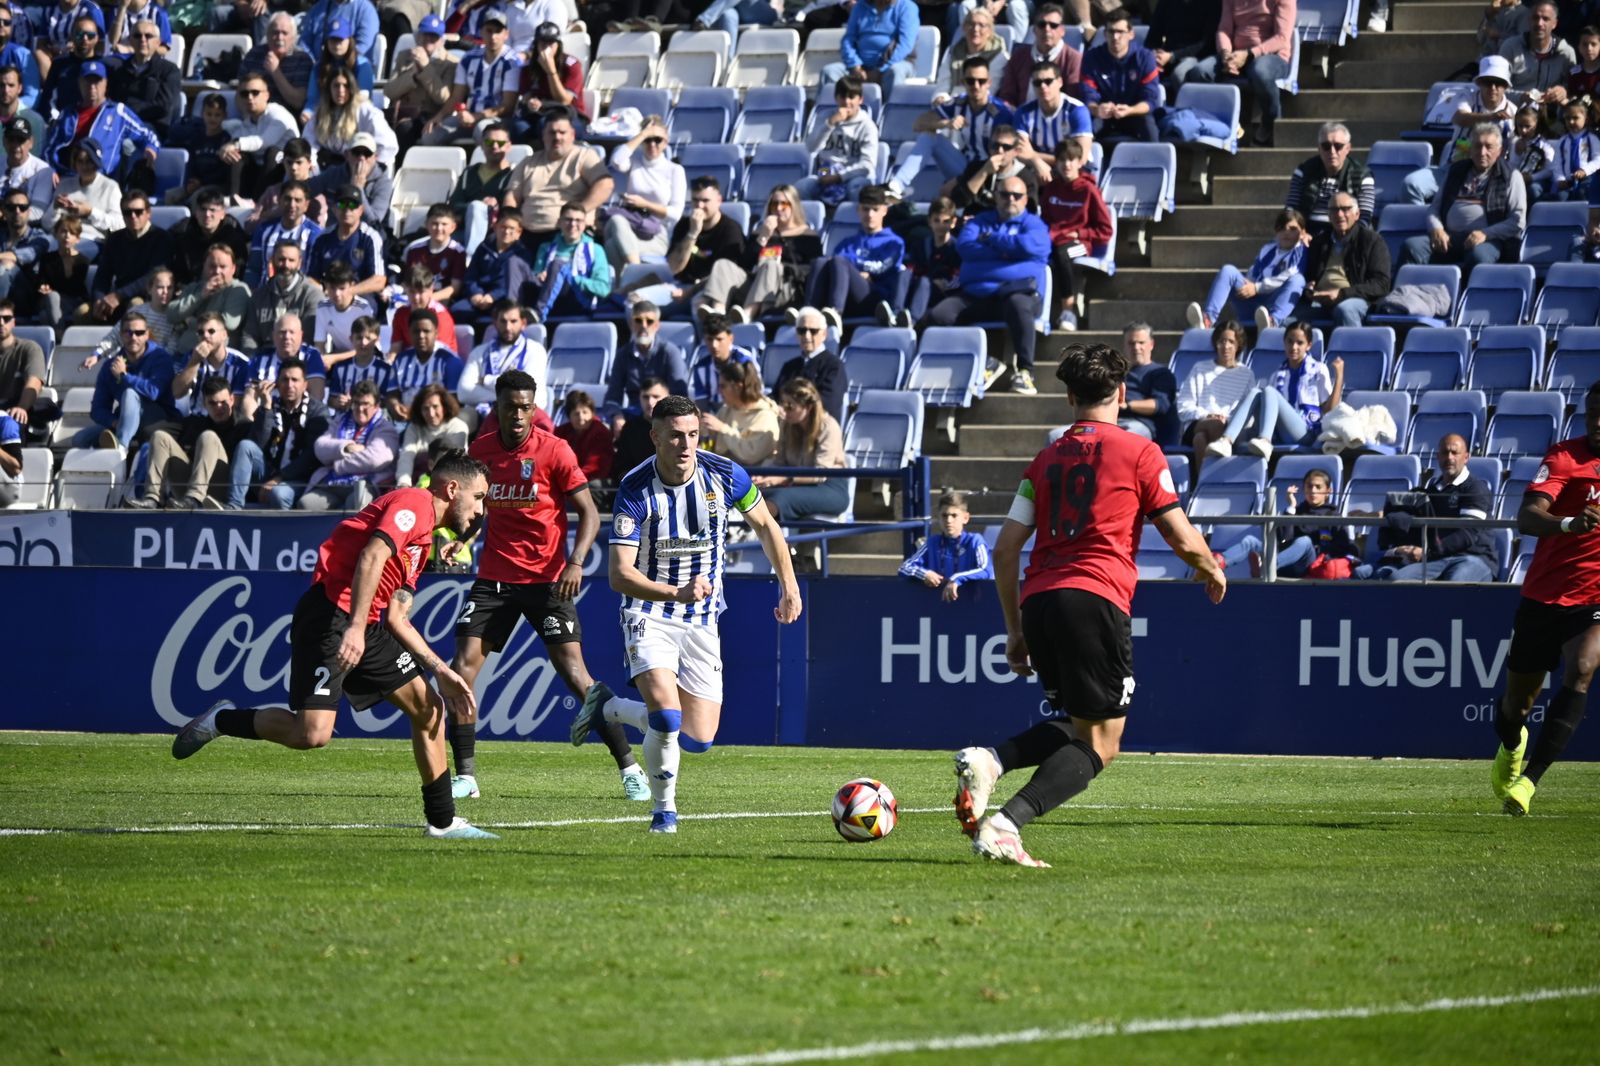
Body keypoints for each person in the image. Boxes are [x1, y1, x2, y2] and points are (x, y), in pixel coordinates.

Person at [951, 343, 1225, 866]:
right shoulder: (1142, 452)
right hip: (1095, 597)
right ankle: (1007, 824)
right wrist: (1210, 565)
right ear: (1121, 394)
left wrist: (1014, 629)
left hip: (1041, 600)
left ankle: (992, 760)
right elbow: (1178, 532)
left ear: (1071, 397)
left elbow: (1006, 547)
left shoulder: (1045, 459)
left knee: (1081, 725)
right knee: (1103, 744)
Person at [172, 449, 497, 841]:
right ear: (452, 487)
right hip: (331, 617)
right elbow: (371, 555)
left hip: (368, 624)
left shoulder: (423, 543)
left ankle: (442, 822)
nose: (481, 510)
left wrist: (440, 670)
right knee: (311, 735)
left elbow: (396, 617)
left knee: (429, 708)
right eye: (479, 498)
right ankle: (221, 721)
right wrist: (356, 628)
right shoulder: (414, 502)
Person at [572, 393, 803, 833]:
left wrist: (788, 585)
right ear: (655, 437)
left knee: (698, 739)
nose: (686, 445)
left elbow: (767, 526)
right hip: (649, 610)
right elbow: (619, 576)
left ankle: (609, 706)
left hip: (701, 620)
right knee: (666, 716)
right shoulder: (635, 488)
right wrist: (674, 592)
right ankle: (664, 811)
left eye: (694, 435)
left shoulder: (725, 474)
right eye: (676, 436)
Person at [451, 369, 644, 800]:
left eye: (526, 407)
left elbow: (589, 513)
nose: (518, 415)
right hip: (495, 578)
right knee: (462, 669)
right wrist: (461, 540)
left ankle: (630, 768)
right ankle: (465, 775)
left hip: (547, 582)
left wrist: (576, 561)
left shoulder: (554, 450)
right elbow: (478, 509)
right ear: (496, 408)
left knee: (577, 676)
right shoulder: (481, 452)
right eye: (510, 407)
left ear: (534, 407)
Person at [1489, 383, 1600, 816]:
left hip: (1592, 598)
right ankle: (1513, 744)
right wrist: (1570, 523)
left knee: (1584, 668)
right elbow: (1527, 517)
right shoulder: (1564, 457)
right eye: (1592, 413)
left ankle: (1528, 784)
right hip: (1545, 595)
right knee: (1516, 706)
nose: (1597, 422)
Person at [923, 174, 1047, 396]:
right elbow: (966, 247)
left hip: (1018, 293)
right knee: (939, 316)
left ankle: (1026, 371)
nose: (1010, 199)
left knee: (1019, 305)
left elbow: (1031, 246)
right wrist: (1012, 251)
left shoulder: (1034, 224)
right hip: (976, 294)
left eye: (1016, 195)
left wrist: (991, 239)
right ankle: (985, 361)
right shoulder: (980, 221)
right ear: (996, 197)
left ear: (1025, 199)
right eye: (1004, 194)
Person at [1400, 122, 1527, 278]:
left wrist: (1485, 234)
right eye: (1477, 146)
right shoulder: (1456, 171)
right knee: (1412, 246)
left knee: (1478, 256)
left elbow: (1517, 221)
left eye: (1489, 147)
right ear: (1470, 149)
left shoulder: (1511, 176)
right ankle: (1405, 296)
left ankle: (1469, 299)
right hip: (1450, 238)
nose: (1482, 152)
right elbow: (1434, 208)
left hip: (1489, 240)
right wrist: (1436, 229)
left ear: (1499, 151)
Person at [1370, 432, 1498, 582]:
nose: (1449, 457)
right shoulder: (1429, 492)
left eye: (1455, 452)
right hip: (1437, 558)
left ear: (1466, 457)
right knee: (1397, 579)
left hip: (1474, 558)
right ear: (1438, 457)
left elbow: (1467, 534)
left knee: (1453, 584)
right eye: (1445, 452)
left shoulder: (1476, 488)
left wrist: (1427, 552)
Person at [1208, 321, 1343, 458]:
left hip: (1306, 433)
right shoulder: (1277, 374)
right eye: (1289, 342)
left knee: (1268, 391)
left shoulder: (1318, 370)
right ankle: (1226, 441)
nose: (1294, 347)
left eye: (1300, 343)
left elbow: (1330, 410)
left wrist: (1339, 377)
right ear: (1284, 343)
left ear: (1308, 346)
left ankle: (1265, 441)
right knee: (1256, 392)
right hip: (1280, 432)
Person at [888, 55, 1017, 195]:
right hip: (964, 167)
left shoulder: (1001, 112)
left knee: (948, 193)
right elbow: (918, 124)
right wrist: (945, 123)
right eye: (970, 81)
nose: (976, 86)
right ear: (963, 82)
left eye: (981, 81)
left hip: (991, 174)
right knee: (929, 137)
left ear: (989, 83)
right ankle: (896, 186)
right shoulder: (958, 103)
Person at [1402, 56, 1517, 207]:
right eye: (1488, 81)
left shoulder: (1513, 112)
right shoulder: (1467, 97)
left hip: (1490, 176)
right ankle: (1426, 224)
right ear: (1479, 83)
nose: (1493, 87)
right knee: (1411, 184)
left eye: (1499, 83)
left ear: (1506, 86)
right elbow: (1460, 118)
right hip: (1455, 168)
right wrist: (1491, 116)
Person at [697, 184, 818, 326]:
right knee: (723, 264)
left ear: (793, 206)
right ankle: (718, 312)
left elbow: (811, 269)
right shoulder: (760, 232)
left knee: (771, 266)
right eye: (774, 204)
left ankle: (748, 314)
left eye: (784, 204)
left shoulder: (808, 236)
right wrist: (763, 237)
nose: (778, 209)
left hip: (783, 288)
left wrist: (782, 267)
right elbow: (744, 263)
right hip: (754, 283)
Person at [130, 374, 252, 508]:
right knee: (159, 436)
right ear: (204, 404)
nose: (218, 407)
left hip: (224, 489)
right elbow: (150, 431)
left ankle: (194, 498)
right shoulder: (195, 424)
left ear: (232, 400)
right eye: (212, 403)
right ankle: (153, 498)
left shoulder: (244, 426)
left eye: (223, 402)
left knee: (208, 437)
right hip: (188, 489)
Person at [1213, 467, 1358, 578]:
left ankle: (1266, 566)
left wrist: (1322, 552)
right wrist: (1291, 508)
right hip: (1285, 559)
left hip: (1309, 564)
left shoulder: (1334, 515)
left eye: (1318, 487)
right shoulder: (1297, 510)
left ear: (1328, 491)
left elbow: (1342, 546)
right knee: (1251, 541)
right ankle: (1217, 563)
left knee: (1305, 541)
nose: (1313, 491)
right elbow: (1283, 538)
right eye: (1309, 486)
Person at [501, 110, 613, 253]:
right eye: (552, 133)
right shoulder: (528, 162)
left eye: (562, 132)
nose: (557, 137)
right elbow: (512, 197)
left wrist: (576, 214)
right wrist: (511, 223)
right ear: (543, 136)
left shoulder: (584, 156)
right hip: (527, 234)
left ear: (572, 135)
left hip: (567, 234)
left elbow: (605, 185)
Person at [1186, 0, 1295, 146]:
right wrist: (1225, 54)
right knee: (1199, 72)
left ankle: (1270, 123)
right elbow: (1224, 30)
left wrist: (1248, 54)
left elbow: (1282, 38)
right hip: (1235, 54)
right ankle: (1222, 123)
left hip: (1272, 56)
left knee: (1260, 72)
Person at [229, 356, 330, 509]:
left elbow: (311, 456)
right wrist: (266, 407)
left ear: (305, 385)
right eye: (285, 379)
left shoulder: (317, 411)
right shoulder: (271, 406)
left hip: (300, 479)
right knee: (245, 446)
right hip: (270, 471)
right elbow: (258, 443)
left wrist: (279, 478)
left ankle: (279, 531)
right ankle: (233, 508)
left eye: (295, 380)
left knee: (279, 493)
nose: (289, 385)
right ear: (277, 383)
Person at [1185, 208, 1308, 332]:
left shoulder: (1301, 250)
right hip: (1253, 302)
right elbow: (1253, 273)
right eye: (1281, 228)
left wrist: (1257, 287)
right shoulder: (1268, 249)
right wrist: (1249, 286)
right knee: (1228, 270)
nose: (1286, 232)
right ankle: (1208, 320)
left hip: (1274, 302)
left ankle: (1272, 322)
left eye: (1292, 229)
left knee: (1298, 280)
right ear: (1276, 231)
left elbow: (1289, 274)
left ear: (1302, 232)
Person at [801, 184, 906, 328]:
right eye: (865, 209)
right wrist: (856, 272)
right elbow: (835, 270)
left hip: (874, 299)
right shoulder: (847, 243)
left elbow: (881, 268)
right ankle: (808, 313)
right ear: (858, 210)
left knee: (839, 261)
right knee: (820, 262)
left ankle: (835, 313)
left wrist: (852, 269)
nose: (870, 215)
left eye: (875, 209)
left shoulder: (894, 242)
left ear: (884, 211)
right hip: (848, 296)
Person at [73, 308, 175, 450]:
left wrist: (124, 376)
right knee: (80, 439)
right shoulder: (110, 365)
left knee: (129, 394)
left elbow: (154, 392)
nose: (133, 337)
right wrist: (114, 422)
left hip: (158, 419)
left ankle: (121, 448)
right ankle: (116, 447)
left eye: (139, 333)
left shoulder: (160, 357)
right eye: (128, 332)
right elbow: (97, 409)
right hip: (125, 422)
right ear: (121, 335)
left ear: (147, 335)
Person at [41, 59, 159, 181]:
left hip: (102, 180)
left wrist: (150, 149)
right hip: (67, 178)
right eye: (87, 81)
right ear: (79, 83)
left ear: (105, 84)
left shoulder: (118, 112)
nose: (92, 87)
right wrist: (51, 170)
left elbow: (149, 136)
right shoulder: (67, 113)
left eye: (97, 81)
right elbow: (49, 149)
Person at [645, 175, 745, 319]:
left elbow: (727, 274)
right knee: (637, 303)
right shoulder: (684, 226)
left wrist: (691, 291)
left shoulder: (730, 229)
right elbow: (673, 267)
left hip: (710, 290)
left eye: (705, 201)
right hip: (680, 287)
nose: (699, 206)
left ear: (719, 201)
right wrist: (692, 233)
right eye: (696, 200)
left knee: (700, 305)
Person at [1289, 190, 1392, 328]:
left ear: (1357, 214)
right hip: (1320, 300)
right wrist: (1309, 287)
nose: (1339, 214)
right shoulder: (1319, 241)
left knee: (1345, 310)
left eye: (1345, 209)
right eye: (1334, 209)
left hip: (1355, 299)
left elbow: (1381, 284)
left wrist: (1342, 294)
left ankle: (1351, 349)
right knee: (1287, 319)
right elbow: (1309, 275)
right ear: (1329, 215)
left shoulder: (1372, 241)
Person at [1039, 138, 1112, 331]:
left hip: (1080, 244)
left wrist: (1080, 233)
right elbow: (1044, 219)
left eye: (1071, 159)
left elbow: (1105, 230)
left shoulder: (1088, 190)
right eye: (1062, 160)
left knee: (1063, 255)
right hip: (1053, 240)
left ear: (1080, 162)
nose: (1067, 165)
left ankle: (1068, 311)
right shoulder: (1051, 189)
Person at [753, 376, 849, 522]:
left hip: (830, 486)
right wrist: (765, 477)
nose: (784, 410)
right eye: (782, 404)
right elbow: (780, 463)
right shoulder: (787, 425)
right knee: (753, 492)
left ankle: (751, 528)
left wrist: (784, 478)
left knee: (782, 498)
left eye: (790, 406)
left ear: (808, 407)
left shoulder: (828, 427)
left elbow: (820, 473)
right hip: (794, 484)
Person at [422, 7, 519, 147]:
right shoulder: (468, 59)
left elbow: (507, 106)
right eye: (489, 31)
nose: (493, 36)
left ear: (506, 34)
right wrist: (439, 117)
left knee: (484, 132)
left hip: (497, 120)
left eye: (498, 31)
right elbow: (456, 96)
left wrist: (476, 117)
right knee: (430, 135)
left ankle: (486, 168)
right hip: (468, 116)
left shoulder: (511, 62)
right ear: (481, 32)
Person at [299, 378, 399, 511]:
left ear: (376, 406)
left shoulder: (385, 427)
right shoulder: (341, 421)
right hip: (332, 482)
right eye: (356, 403)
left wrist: (338, 464)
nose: (360, 409)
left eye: (366, 404)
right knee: (306, 504)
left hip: (366, 484)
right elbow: (320, 447)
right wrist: (345, 447)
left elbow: (376, 459)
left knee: (357, 504)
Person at [602, 115, 685, 273]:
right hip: (630, 227)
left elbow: (675, 214)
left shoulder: (674, 170)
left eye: (657, 140)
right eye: (648, 140)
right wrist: (642, 134)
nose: (652, 144)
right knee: (616, 226)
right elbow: (617, 161)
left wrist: (645, 204)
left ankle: (633, 276)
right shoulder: (635, 162)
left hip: (656, 234)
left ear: (666, 141)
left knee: (613, 242)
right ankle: (631, 281)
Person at [84, 190, 174, 325]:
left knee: (135, 306)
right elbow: (102, 276)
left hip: (146, 298)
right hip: (117, 298)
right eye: (127, 212)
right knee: (82, 312)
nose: (133, 216)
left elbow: (153, 278)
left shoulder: (162, 239)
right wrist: (99, 299)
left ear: (148, 213)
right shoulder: (114, 239)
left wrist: (118, 295)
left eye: (138, 212)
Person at [1177, 318, 1255, 468]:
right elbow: (1183, 406)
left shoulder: (1246, 374)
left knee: (1200, 439)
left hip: (1230, 429)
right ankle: (1216, 480)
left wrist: (1226, 419)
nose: (1226, 346)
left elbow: (1248, 411)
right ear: (1215, 343)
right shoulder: (1200, 368)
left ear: (1239, 345)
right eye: (1222, 341)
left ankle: (1202, 483)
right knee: (1210, 427)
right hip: (1198, 422)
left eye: (1231, 342)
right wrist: (1207, 415)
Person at [1079, 9, 1162, 145]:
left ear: (1131, 34)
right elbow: (1088, 96)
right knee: (1085, 130)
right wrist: (1097, 109)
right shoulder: (1092, 58)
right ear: (1105, 34)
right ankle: (1085, 165)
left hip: (1135, 113)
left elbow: (1150, 100)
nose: (1115, 37)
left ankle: (1154, 163)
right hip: (1103, 114)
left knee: (1150, 129)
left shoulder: (1145, 58)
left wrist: (1130, 110)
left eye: (1120, 32)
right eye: (1111, 32)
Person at [518, 201, 611, 323]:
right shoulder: (546, 248)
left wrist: (572, 277)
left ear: (584, 224)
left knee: (558, 265)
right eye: (568, 219)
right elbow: (536, 275)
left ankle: (539, 314)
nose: (573, 224)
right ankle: (512, 313)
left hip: (577, 301)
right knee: (514, 263)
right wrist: (540, 276)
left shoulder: (596, 250)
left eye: (578, 220)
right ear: (559, 222)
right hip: (547, 296)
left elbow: (603, 289)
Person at [795, 75, 881, 205]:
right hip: (826, 170)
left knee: (857, 187)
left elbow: (867, 165)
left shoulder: (867, 126)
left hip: (853, 174)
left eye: (852, 97)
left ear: (860, 100)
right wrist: (829, 124)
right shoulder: (825, 117)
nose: (847, 102)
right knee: (801, 187)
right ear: (836, 98)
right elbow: (811, 147)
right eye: (842, 97)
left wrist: (839, 177)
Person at [1284, 121, 1376, 235]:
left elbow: (1365, 218)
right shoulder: (1303, 171)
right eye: (1326, 146)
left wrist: (1345, 239)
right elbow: (1290, 211)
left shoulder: (1362, 176)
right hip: (1307, 233)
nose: (1332, 152)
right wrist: (1299, 233)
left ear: (1348, 148)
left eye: (1338, 146)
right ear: (1319, 148)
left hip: (1346, 236)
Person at [899, 489, 992, 600]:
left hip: (972, 605)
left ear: (965, 518)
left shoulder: (975, 541)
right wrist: (924, 574)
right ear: (938, 518)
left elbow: (986, 570)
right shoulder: (932, 543)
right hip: (936, 608)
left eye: (954, 515)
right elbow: (904, 568)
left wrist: (956, 579)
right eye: (944, 515)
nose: (948, 520)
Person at [1011, 61, 1095, 185]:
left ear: (1060, 82)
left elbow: (1079, 159)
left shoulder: (1076, 110)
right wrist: (1035, 161)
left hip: (1075, 171)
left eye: (1048, 81)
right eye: (1037, 83)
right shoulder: (1023, 112)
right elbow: (1019, 152)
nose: (1043, 87)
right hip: (1038, 171)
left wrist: (1034, 155)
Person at [458, 299, 546, 416]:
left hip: (521, 414)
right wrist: (504, 399)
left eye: (513, 321)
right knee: (459, 421)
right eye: (503, 321)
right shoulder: (479, 352)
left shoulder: (535, 350)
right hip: (482, 411)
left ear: (523, 323)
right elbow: (463, 392)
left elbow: (527, 392)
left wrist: (485, 380)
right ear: (495, 323)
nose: (508, 327)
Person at [820, 0, 920, 102]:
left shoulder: (907, 7)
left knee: (895, 72)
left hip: (895, 63)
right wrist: (855, 66)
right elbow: (848, 40)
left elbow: (905, 45)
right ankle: (830, 114)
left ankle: (890, 114)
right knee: (830, 71)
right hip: (860, 68)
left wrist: (880, 70)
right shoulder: (859, 7)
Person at [221, 71, 298, 202]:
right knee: (236, 154)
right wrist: (226, 149)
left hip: (282, 174)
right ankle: (234, 198)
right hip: (258, 175)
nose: (250, 97)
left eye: (255, 92)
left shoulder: (278, 115)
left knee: (273, 153)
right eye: (244, 94)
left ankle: (260, 202)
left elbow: (263, 142)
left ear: (267, 95)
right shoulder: (246, 123)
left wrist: (234, 143)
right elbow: (234, 142)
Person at [606, 300, 688, 422]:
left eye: (649, 321)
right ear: (631, 324)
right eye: (638, 321)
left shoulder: (670, 352)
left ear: (657, 326)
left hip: (665, 416)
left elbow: (680, 395)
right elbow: (613, 396)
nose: (643, 325)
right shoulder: (623, 354)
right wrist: (616, 416)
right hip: (634, 416)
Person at [385, 13, 458, 151]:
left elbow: (443, 97)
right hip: (402, 113)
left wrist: (425, 68)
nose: (428, 40)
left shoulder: (451, 63)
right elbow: (389, 91)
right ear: (418, 36)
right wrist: (411, 75)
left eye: (434, 37)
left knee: (405, 130)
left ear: (442, 41)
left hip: (430, 116)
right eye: (425, 35)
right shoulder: (404, 56)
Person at [304, 66, 399, 171]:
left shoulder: (366, 112)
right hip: (327, 169)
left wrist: (370, 167)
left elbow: (388, 145)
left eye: (345, 86)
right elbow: (308, 142)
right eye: (336, 86)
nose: (341, 90)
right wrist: (312, 162)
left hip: (358, 169)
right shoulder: (320, 112)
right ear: (329, 89)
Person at [306, 184, 387, 300]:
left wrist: (347, 292)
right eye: (342, 204)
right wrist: (326, 291)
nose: (347, 210)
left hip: (361, 300)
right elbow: (310, 278)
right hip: (328, 298)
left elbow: (379, 280)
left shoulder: (370, 237)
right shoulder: (322, 238)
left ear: (361, 210)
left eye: (353, 205)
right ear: (334, 209)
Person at [244, 240, 324, 353]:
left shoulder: (312, 295)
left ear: (299, 263)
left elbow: (309, 338)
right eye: (281, 260)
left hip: (297, 359)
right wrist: (252, 361)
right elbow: (250, 336)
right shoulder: (259, 296)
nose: (286, 265)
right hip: (263, 360)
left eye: (291, 260)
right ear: (272, 260)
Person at [167, 243, 250, 351]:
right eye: (212, 266)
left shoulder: (238, 290)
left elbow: (229, 323)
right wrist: (200, 295)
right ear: (204, 266)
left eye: (223, 267)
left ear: (233, 269)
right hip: (184, 354)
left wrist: (189, 322)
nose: (217, 271)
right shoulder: (194, 288)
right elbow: (171, 314)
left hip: (216, 359)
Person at [997, 4, 1083, 108]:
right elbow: (1007, 96)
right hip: (1020, 117)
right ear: (1034, 29)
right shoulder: (1018, 56)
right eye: (1042, 24)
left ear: (1062, 30)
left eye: (1053, 25)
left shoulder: (1074, 59)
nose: (1047, 29)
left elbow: (1073, 100)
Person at [105, 18, 178, 139]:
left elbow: (163, 106)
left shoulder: (169, 70)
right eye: (137, 36)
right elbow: (112, 100)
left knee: (127, 147)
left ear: (158, 42)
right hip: (119, 125)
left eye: (148, 36)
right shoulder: (119, 70)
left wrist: (129, 110)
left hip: (152, 129)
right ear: (130, 41)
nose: (143, 40)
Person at [774, 306, 848, 425]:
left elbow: (828, 404)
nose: (807, 336)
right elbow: (775, 396)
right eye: (801, 331)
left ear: (824, 334)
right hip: (787, 430)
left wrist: (791, 410)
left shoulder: (834, 366)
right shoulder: (790, 366)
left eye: (813, 331)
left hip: (818, 431)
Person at [449, 120, 513, 256]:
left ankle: (471, 260)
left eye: (500, 143)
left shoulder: (514, 175)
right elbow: (454, 205)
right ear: (482, 145)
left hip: (496, 234)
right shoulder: (469, 172)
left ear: (508, 146)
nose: (494, 146)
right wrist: (474, 207)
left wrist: (495, 207)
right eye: (489, 142)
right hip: (462, 231)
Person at [701, 358, 779, 467]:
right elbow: (710, 445)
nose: (719, 391)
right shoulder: (726, 410)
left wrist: (723, 429)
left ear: (738, 387)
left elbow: (751, 455)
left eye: (723, 386)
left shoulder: (765, 416)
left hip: (752, 478)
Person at [947, 126, 1041, 215]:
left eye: (1006, 147)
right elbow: (957, 202)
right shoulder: (975, 168)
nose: (1000, 151)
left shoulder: (1026, 176)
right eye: (995, 145)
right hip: (975, 224)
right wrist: (983, 172)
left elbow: (1030, 212)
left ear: (1016, 151)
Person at [513, 20, 585, 136]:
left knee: (547, 126)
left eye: (551, 44)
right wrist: (530, 101)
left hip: (568, 114)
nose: (546, 49)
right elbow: (526, 95)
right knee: (518, 128)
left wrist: (551, 71)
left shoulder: (571, 65)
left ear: (558, 44)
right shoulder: (529, 67)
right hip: (539, 112)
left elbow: (564, 100)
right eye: (543, 44)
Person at [388, 309, 464, 417]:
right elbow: (391, 394)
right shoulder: (401, 359)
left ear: (436, 333)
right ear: (409, 333)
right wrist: (395, 406)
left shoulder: (450, 360)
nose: (421, 336)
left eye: (426, 331)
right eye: (416, 331)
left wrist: (419, 414)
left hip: (438, 420)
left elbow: (455, 400)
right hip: (404, 419)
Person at [300, 17, 376, 125]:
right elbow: (313, 99)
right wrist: (307, 112)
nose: (336, 44)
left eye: (340, 40)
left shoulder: (363, 65)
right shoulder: (319, 67)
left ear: (349, 40)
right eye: (333, 40)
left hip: (354, 118)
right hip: (326, 118)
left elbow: (362, 97)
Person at [170, 186, 249, 287]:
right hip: (192, 289)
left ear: (222, 214)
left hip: (225, 289)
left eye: (212, 210)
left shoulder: (234, 237)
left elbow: (239, 270)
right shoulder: (184, 233)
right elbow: (180, 271)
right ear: (196, 213)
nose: (207, 214)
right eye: (203, 209)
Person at [1114, 322, 1178, 446]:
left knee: (1119, 439)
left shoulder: (1161, 373)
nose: (1136, 347)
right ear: (1124, 346)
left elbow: (1160, 405)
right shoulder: (1115, 373)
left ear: (1151, 344)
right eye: (1131, 343)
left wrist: (1127, 405)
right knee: (1066, 434)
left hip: (1141, 424)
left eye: (1141, 343)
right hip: (1109, 422)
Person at [239, 11, 315, 114]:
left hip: (286, 121)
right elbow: (240, 93)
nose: (279, 38)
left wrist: (275, 71)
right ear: (267, 35)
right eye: (275, 32)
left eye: (284, 33)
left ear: (293, 37)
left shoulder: (302, 59)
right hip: (254, 118)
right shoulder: (254, 55)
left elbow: (298, 102)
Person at [395, 383, 468, 489]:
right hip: (417, 483)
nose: (431, 413)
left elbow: (454, 462)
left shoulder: (458, 427)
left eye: (435, 407)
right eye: (425, 408)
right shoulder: (414, 428)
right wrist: (403, 483)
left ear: (444, 406)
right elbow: (406, 456)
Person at [685, 312, 758, 411]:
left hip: (744, 411)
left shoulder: (744, 360)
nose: (714, 345)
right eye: (709, 339)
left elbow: (753, 394)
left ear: (730, 338)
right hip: (715, 416)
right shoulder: (700, 367)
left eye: (719, 339)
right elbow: (702, 406)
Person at [1501, 0, 1575, 94]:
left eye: (1546, 19)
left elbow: (1572, 87)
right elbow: (1499, 89)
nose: (1539, 23)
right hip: (1517, 107)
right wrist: (1521, 97)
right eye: (1535, 18)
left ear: (1554, 24)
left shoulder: (1566, 52)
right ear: (1529, 20)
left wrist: (1563, 91)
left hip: (1551, 107)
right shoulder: (1511, 47)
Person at [29, 213, 89, 329]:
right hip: (50, 299)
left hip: (72, 301)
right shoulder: (48, 259)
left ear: (77, 239)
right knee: (53, 296)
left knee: (44, 316)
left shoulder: (83, 261)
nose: (67, 236)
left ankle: (57, 334)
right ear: (56, 234)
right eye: (63, 231)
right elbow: (41, 280)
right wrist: (43, 287)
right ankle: (60, 332)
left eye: (72, 233)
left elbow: (75, 288)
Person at [326, 315, 390, 411]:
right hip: (345, 420)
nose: (363, 343)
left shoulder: (384, 370)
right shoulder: (340, 368)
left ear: (377, 340)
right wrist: (338, 402)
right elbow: (331, 400)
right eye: (359, 338)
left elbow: (388, 402)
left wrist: (364, 403)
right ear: (351, 339)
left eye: (368, 338)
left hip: (375, 423)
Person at [0, 184, 47, 305]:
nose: (17, 211)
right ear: (3, 211)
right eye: (11, 207)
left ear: (28, 211)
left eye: (23, 207)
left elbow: (27, 255)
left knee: (6, 265)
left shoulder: (39, 236)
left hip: (27, 297)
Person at [0, 117, 51, 222]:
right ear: (4, 141)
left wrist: (6, 215)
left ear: (31, 142)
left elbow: (37, 212)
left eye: (21, 140)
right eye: (11, 140)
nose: (15, 145)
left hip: (23, 229)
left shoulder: (42, 170)